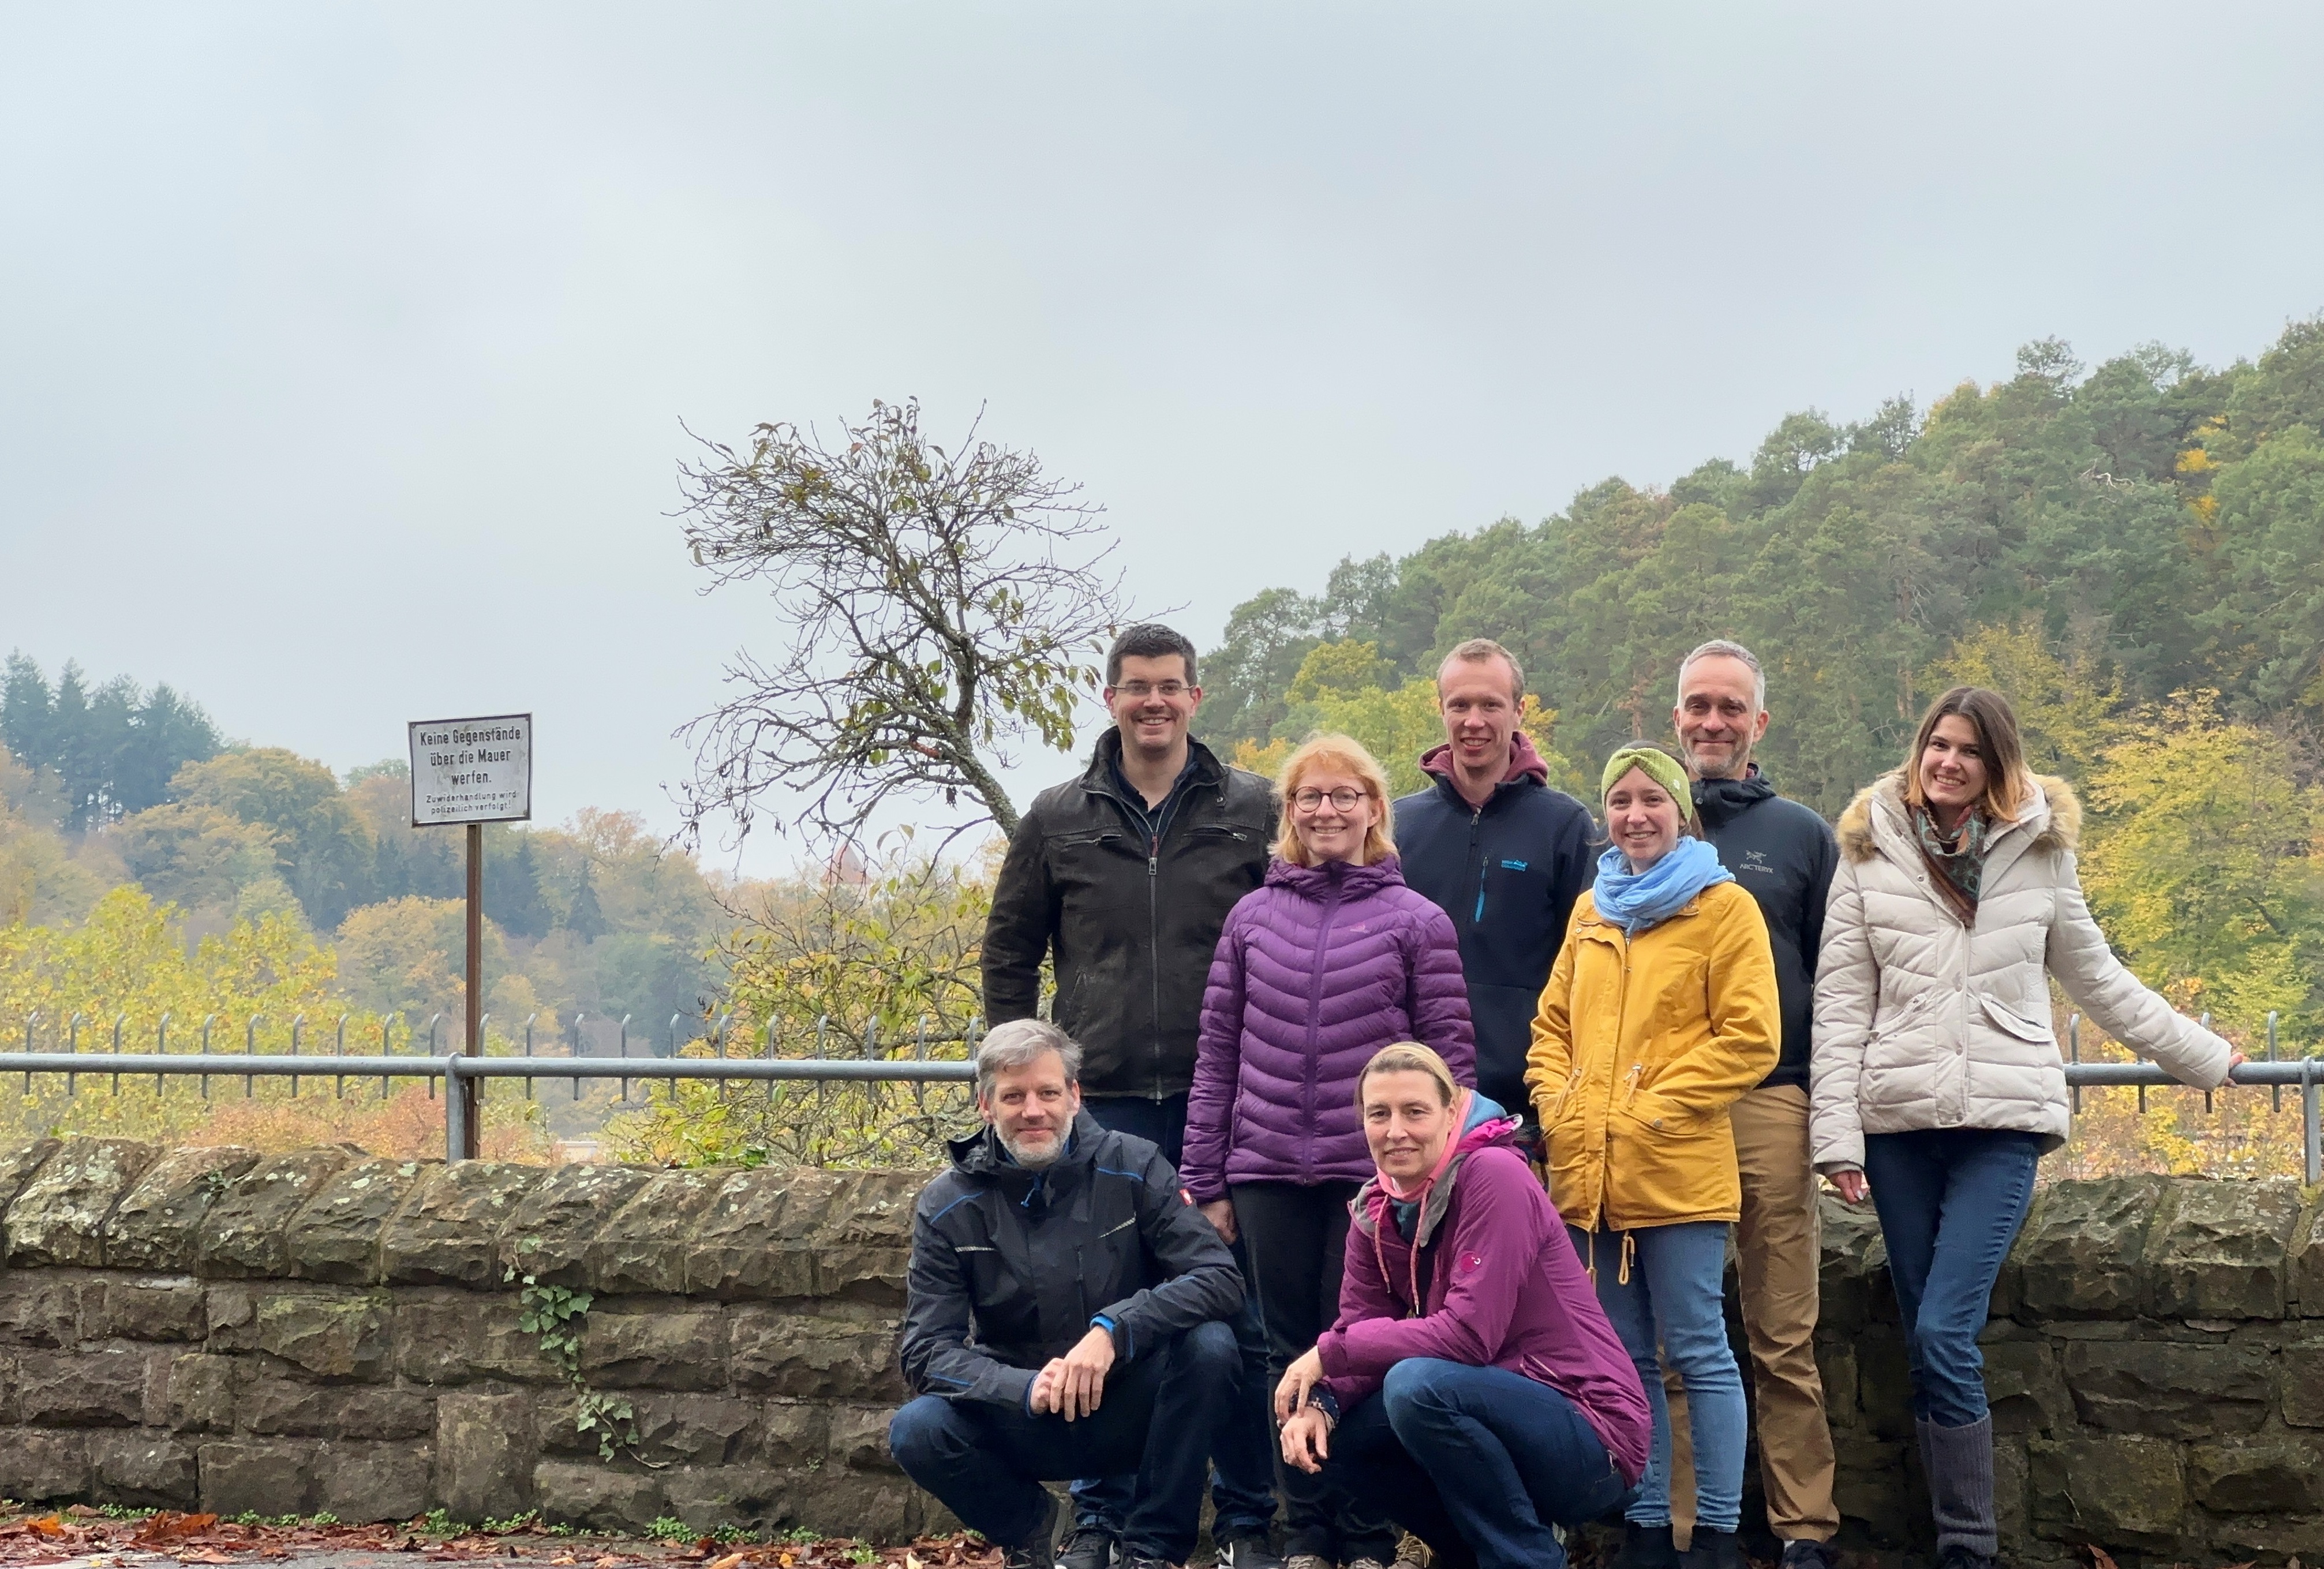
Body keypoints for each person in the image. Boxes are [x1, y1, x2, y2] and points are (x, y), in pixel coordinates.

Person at [1812, 687, 2236, 1569]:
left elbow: (2099, 978)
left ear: (1996, 763)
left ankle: (1968, 1548)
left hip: (2001, 1123)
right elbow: (1841, 1000)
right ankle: (1953, 1538)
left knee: (1940, 1331)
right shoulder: (1866, 849)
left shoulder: (2040, 853)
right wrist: (1836, 1137)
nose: (1948, 762)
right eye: (1937, 743)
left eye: (1968, 749)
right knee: (1922, 1334)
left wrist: (2200, 1055)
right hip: (1894, 1126)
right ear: (1917, 749)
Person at [981, 622, 1282, 1569]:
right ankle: (1102, 1517)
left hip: (1222, 1100)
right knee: (1095, 1307)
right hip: (1096, 1103)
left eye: (1170, 686)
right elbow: (1008, 952)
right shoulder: (1057, 816)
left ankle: (1244, 1515)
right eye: (1136, 686)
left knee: (1236, 1312)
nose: (1153, 701)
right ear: (1109, 698)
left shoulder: (1252, 810)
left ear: (1196, 696)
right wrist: (1009, 1074)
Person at [1183, 733, 1477, 1569]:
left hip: (1372, 1175)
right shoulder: (1251, 917)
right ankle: (1304, 1529)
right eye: (1309, 797)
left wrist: (1439, 1171)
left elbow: (1450, 1059)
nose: (1326, 810)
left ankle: (1364, 1530)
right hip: (1266, 1169)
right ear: (1289, 812)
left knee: (1360, 1347)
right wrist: (1205, 1175)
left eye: (1344, 795)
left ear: (1373, 809)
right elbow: (1218, 1052)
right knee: (1283, 1349)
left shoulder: (1417, 921)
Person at [1527, 744, 1780, 1569]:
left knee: (1699, 1348)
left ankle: (1712, 1529)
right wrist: (1556, 1104)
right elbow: (1549, 1029)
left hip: (1678, 1168)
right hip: (1588, 1173)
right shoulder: (1588, 911)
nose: (1634, 814)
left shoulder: (1723, 908)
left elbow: (1749, 1037)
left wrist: (1652, 1105)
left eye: (1650, 799)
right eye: (1620, 800)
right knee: (1622, 1356)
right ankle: (1643, 1521)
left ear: (1680, 809)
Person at [1274, 1043, 1653, 1569]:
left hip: (1590, 1433)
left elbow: (1468, 1337)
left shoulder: (1495, 1173)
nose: (1395, 1130)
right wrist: (1322, 1405)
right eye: (1378, 1114)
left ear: (1451, 1112)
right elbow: (1360, 1335)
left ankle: (1528, 1560)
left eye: (1415, 1111)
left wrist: (1325, 1353)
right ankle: (1468, 1556)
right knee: (1331, 1437)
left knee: (1416, 1386)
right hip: (1489, 1413)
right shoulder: (1375, 1209)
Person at [890, 1020, 1245, 1569]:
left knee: (1211, 1346)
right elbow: (925, 1351)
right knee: (917, 1429)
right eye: (1014, 1096)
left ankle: (1151, 1550)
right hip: (1027, 1412)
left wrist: (1115, 1329)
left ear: (1074, 1096)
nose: (1033, 1110)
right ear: (986, 1105)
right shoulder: (945, 1203)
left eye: (1048, 1092)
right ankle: (1031, 1528)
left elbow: (1219, 1278)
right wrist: (1023, 1387)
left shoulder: (1134, 1164)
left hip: (1132, 1404)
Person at [1657, 640, 1840, 1569]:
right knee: (1676, 1334)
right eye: (1697, 704)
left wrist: (1826, 1105)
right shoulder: (1636, 826)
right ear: (1675, 717)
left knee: (1781, 1330)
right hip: (1664, 1116)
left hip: (1771, 1100)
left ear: (1757, 722)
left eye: (1731, 706)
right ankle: (1691, 1525)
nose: (1712, 721)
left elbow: (1838, 983)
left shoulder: (1801, 834)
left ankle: (1802, 1526)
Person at [1393, 638, 1594, 1127]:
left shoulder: (1565, 826)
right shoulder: (1397, 826)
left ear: (1520, 711)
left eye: (1490, 704)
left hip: (1525, 1099)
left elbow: (1586, 967)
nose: (1473, 720)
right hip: (1411, 1096)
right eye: (1459, 704)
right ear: (1440, 709)